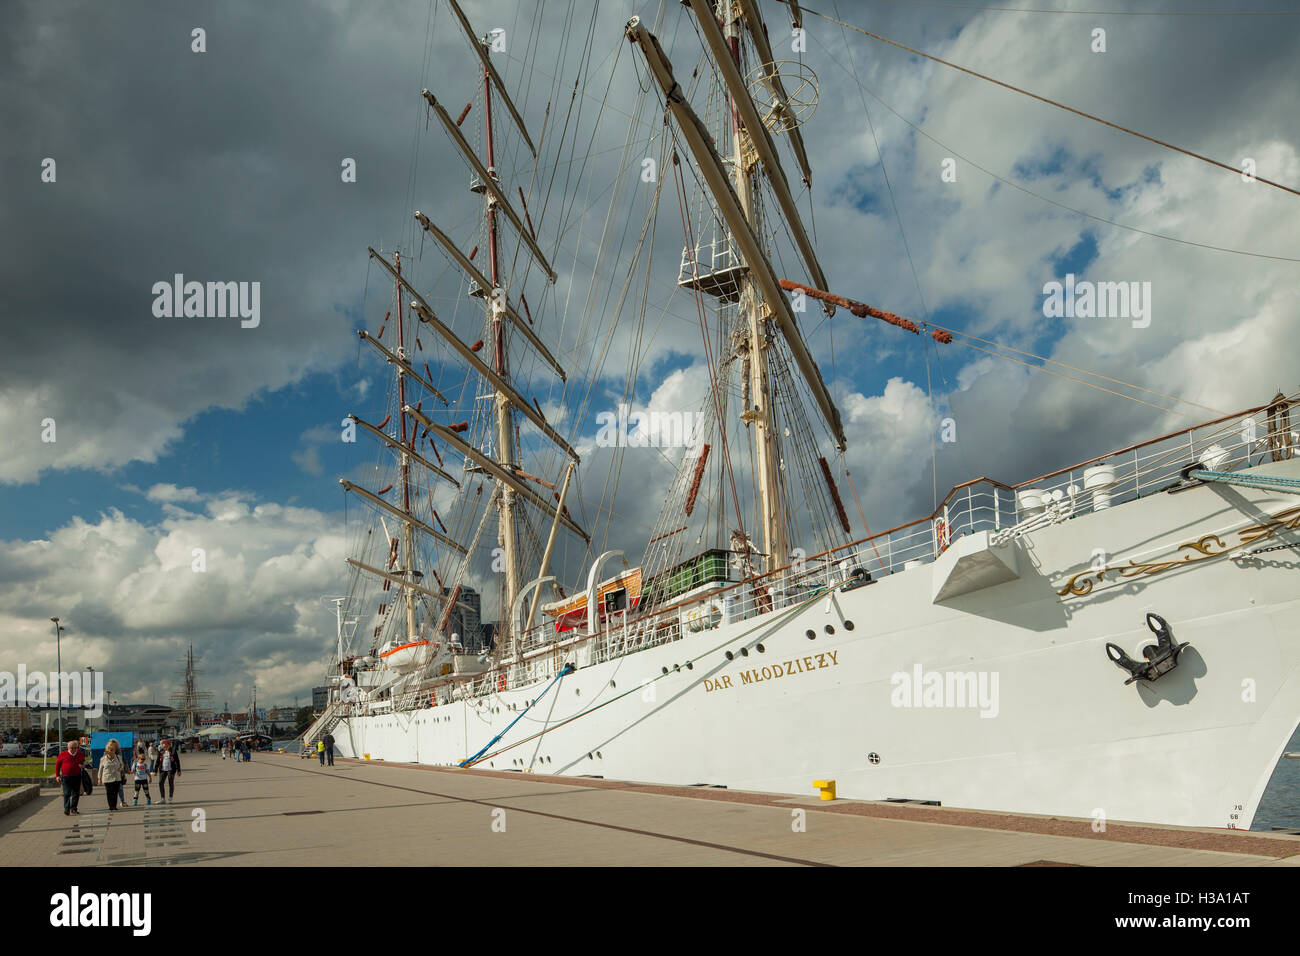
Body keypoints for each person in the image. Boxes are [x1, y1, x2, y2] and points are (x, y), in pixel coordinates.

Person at [55, 738, 87, 816]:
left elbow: (84, 762)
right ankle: (66, 809)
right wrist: (57, 775)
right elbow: (57, 765)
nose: (73, 749)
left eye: (75, 748)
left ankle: (74, 809)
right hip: (66, 777)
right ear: (68, 748)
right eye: (72, 748)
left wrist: (83, 765)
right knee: (66, 793)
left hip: (77, 776)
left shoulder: (80, 754)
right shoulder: (63, 754)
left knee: (76, 793)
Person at [97, 738, 125, 811]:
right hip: (107, 778)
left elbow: (122, 764)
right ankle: (111, 806)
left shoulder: (118, 757)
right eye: (109, 751)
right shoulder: (103, 759)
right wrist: (99, 778)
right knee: (109, 793)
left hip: (116, 778)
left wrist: (121, 768)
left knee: (115, 793)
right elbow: (100, 769)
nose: (111, 752)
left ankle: (114, 806)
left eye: (113, 750)